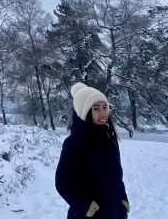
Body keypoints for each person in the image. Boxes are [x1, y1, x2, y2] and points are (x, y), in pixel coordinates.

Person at [55, 83, 129, 218]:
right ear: (85, 112)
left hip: (115, 212)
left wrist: (122, 198)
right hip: (87, 215)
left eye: (105, 107)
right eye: (96, 108)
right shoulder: (74, 142)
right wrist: (86, 205)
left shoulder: (110, 140)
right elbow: (63, 182)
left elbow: (117, 176)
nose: (103, 113)